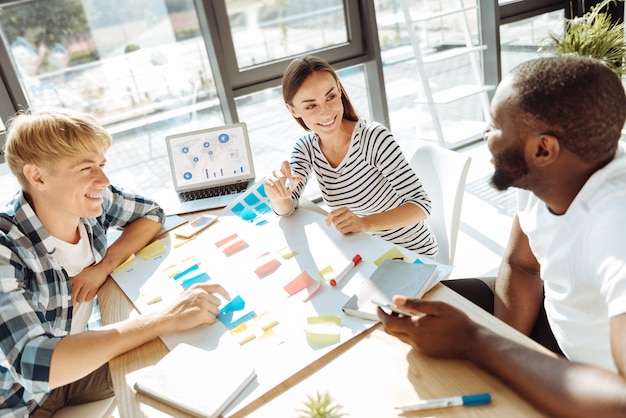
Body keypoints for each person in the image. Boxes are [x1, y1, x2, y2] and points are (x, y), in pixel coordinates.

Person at [378, 55, 626, 418]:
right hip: (553, 325)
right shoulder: (545, 175)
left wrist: (478, 342)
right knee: (409, 304)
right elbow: (522, 265)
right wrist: (505, 353)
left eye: (495, 125)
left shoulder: (614, 227)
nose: (484, 134)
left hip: (600, 383)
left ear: (543, 149)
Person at [0, 108, 230, 417]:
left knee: (183, 345)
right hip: (22, 403)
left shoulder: (88, 200)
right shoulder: (6, 248)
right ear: (38, 176)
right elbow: (35, 365)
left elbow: (151, 214)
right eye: (86, 168)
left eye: (101, 165)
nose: (103, 179)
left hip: (76, 368)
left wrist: (101, 268)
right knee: (168, 332)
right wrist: (165, 316)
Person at [264, 55, 438, 257]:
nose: (327, 112)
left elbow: (421, 205)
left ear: (339, 89)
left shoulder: (373, 138)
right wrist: (277, 196)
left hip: (412, 253)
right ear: (292, 110)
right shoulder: (306, 149)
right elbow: (289, 205)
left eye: (330, 97)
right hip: (367, 251)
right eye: (311, 106)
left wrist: (364, 223)